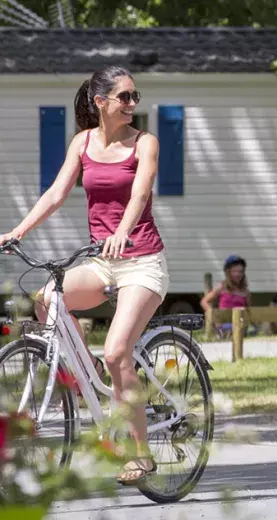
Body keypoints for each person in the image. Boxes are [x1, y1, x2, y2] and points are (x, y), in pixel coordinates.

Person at [1, 65, 169, 483]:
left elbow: (140, 192)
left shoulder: (145, 142)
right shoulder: (83, 142)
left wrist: (123, 231)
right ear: (100, 102)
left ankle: (142, 455)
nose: (133, 104)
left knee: (117, 351)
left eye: (135, 96)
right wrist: (18, 229)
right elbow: (57, 193)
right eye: (125, 97)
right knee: (46, 300)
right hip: (101, 260)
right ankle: (86, 375)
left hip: (142, 260)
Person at [200, 255, 252, 337]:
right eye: (234, 271)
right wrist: (214, 315)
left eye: (240, 271)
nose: (238, 274)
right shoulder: (222, 287)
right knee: (230, 329)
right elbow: (204, 301)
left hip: (239, 324)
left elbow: (249, 311)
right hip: (223, 324)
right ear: (228, 272)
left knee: (243, 328)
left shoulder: (245, 291)